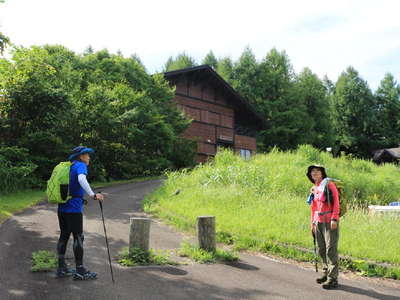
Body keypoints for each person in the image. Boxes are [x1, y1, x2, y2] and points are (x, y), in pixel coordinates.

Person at [56, 146, 104, 280]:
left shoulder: (68, 167)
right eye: (87, 155)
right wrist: (93, 195)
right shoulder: (81, 166)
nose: (89, 158)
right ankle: (80, 270)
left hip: (62, 207)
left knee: (64, 236)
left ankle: (61, 268)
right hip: (74, 208)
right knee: (78, 236)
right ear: (81, 156)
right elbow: (82, 179)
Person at [307, 165, 340, 289]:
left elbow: (336, 202)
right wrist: (312, 224)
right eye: (312, 172)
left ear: (322, 173)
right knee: (321, 249)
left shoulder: (329, 185)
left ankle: (333, 279)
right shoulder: (314, 188)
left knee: (330, 250)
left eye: (317, 171)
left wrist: (334, 218)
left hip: (329, 221)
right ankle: (326, 273)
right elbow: (313, 208)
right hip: (318, 222)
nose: (314, 173)